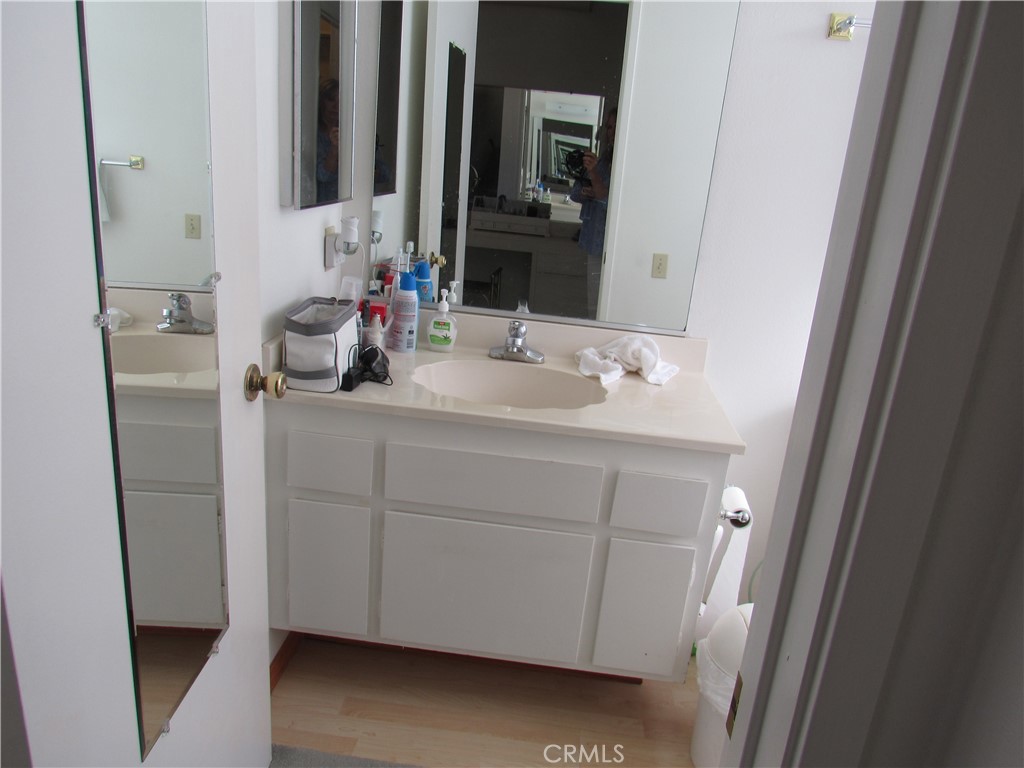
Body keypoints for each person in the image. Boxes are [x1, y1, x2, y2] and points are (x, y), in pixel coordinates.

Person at [570, 108, 616, 317]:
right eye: (608, 127)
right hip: (594, 242)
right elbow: (575, 194)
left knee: (604, 308)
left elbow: (607, 197)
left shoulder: (623, 163)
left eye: (615, 127)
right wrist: (587, 188)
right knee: (592, 305)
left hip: (612, 246)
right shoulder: (602, 161)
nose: (611, 132)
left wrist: (594, 175)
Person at [316, 79, 340, 203]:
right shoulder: (312, 136)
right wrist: (334, 148)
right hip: (323, 206)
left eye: (340, 101)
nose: (336, 107)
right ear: (322, 102)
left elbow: (385, 174)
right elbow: (323, 175)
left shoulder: (352, 134)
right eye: (331, 100)